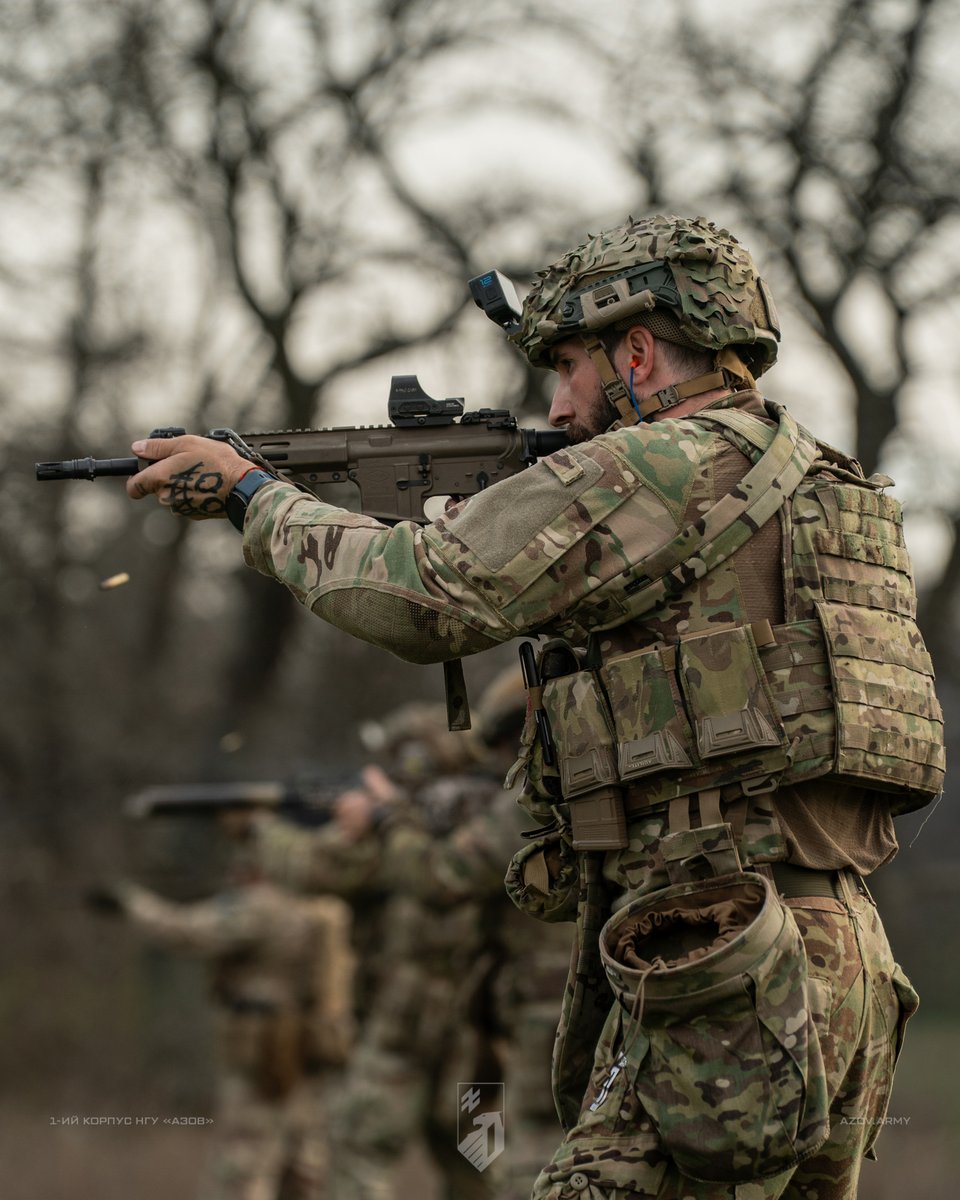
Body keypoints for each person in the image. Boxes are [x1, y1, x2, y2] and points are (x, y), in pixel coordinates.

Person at [124, 214, 945, 1199]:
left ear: (637, 349)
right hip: (840, 957)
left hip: (720, 958)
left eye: (567, 367)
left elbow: (419, 593)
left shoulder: (657, 463)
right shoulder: (832, 486)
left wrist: (256, 498)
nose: (558, 409)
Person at [257, 671, 573, 1200]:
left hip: (459, 1040)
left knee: (478, 1159)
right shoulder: (441, 820)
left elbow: (438, 875)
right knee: (458, 1156)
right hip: (456, 1036)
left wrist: (384, 819)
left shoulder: (454, 823)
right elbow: (329, 868)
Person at [88, 808, 355, 1200]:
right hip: (309, 1051)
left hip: (265, 1053)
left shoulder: (262, 905)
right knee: (305, 1170)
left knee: (241, 1171)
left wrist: (132, 903)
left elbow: (186, 931)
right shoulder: (323, 903)